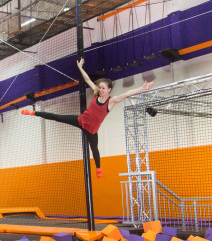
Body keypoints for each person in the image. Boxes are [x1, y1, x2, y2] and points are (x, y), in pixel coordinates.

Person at [21, 58, 154, 178]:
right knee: (58, 117)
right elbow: (87, 80)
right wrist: (80, 67)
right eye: (100, 87)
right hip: (81, 121)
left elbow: (126, 94)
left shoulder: (111, 102)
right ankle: (33, 113)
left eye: (103, 88)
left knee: (94, 148)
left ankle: (98, 168)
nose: (100, 89)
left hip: (92, 130)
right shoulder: (96, 92)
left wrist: (141, 89)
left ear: (109, 90)